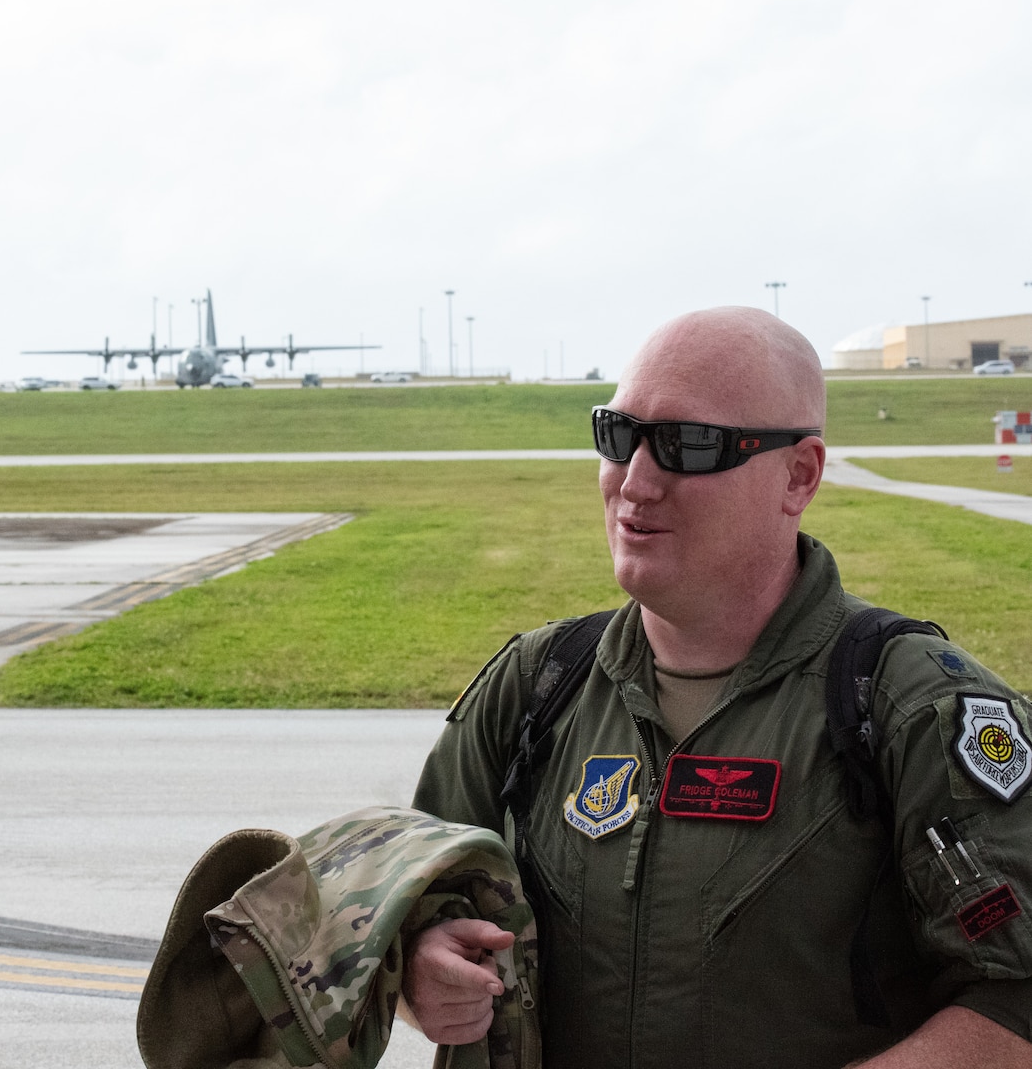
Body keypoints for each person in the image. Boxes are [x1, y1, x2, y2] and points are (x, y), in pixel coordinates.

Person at [405, 307, 1032, 1068]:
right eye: (619, 436)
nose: (635, 482)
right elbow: (412, 899)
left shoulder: (914, 711)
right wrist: (421, 968)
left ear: (798, 475)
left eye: (686, 446)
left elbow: (1015, 998)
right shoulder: (538, 687)